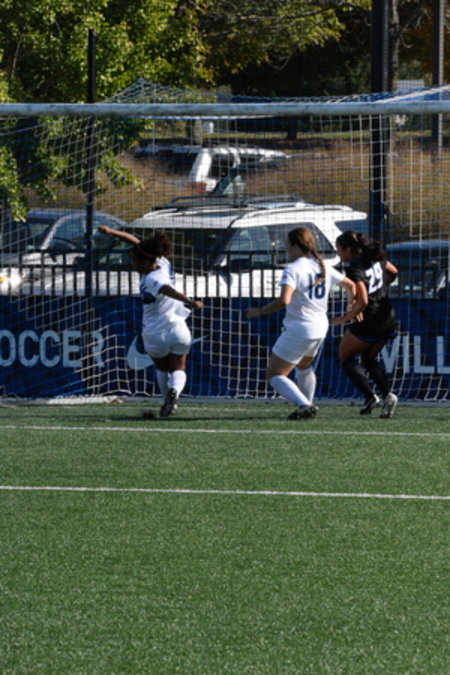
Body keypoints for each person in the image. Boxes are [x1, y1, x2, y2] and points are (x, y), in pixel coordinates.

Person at [246, 227, 356, 420]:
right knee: (304, 367)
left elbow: (284, 301)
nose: (287, 250)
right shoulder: (322, 266)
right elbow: (350, 285)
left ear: (296, 246)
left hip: (300, 327)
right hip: (319, 327)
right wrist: (351, 307)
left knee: (274, 375)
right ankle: (307, 406)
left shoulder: (293, 269)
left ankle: (304, 405)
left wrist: (260, 311)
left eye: (288, 246)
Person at [98, 224, 203, 417]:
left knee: (162, 367)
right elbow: (136, 242)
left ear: (146, 262)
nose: (134, 265)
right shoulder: (162, 261)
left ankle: (168, 400)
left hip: (155, 332)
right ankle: (174, 394)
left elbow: (166, 289)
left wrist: (188, 300)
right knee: (179, 367)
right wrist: (112, 232)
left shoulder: (151, 279)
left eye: (136, 262)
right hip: (179, 329)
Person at [333, 230, 399, 418]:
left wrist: (345, 317)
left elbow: (363, 300)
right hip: (387, 315)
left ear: (348, 249)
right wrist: (383, 288)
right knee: (369, 359)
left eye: (339, 249)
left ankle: (371, 396)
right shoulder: (375, 258)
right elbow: (394, 272)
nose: (338, 253)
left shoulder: (355, 268)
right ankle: (387, 396)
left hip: (370, 318)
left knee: (345, 356)